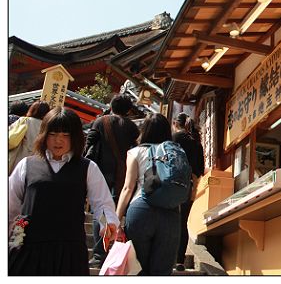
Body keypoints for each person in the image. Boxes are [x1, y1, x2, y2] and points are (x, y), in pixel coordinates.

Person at [8, 107, 119, 275]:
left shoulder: (88, 168)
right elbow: (10, 205)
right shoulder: (27, 165)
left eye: (65, 135)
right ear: (43, 135)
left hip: (70, 251)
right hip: (30, 248)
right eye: (52, 134)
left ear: (75, 137)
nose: (58, 140)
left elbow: (102, 204)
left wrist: (107, 223)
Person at [115, 113, 180, 275]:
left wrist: (116, 220)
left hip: (141, 209)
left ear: (144, 130)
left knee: (136, 269)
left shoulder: (135, 152)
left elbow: (128, 188)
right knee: (161, 272)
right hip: (170, 213)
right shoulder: (175, 153)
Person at [84, 93, 140, 267]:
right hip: (123, 176)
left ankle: (99, 254)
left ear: (111, 106)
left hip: (100, 173)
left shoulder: (100, 122)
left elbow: (89, 143)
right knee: (117, 213)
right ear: (128, 110)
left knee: (101, 211)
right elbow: (135, 149)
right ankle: (116, 251)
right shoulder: (132, 127)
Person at [171, 112, 205, 271]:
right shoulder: (196, 142)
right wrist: (193, 191)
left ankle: (167, 256)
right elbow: (199, 171)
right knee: (182, 222)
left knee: (169, 220)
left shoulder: (173, 139)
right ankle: (179, 260)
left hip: (171, 184)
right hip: (188, 186)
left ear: (175, 124)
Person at [8, 101, 51, 175]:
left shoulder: (25, 120)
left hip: (18, 160)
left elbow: (10, 136)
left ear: (31, 109)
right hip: (36, 164)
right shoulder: (47, 127)